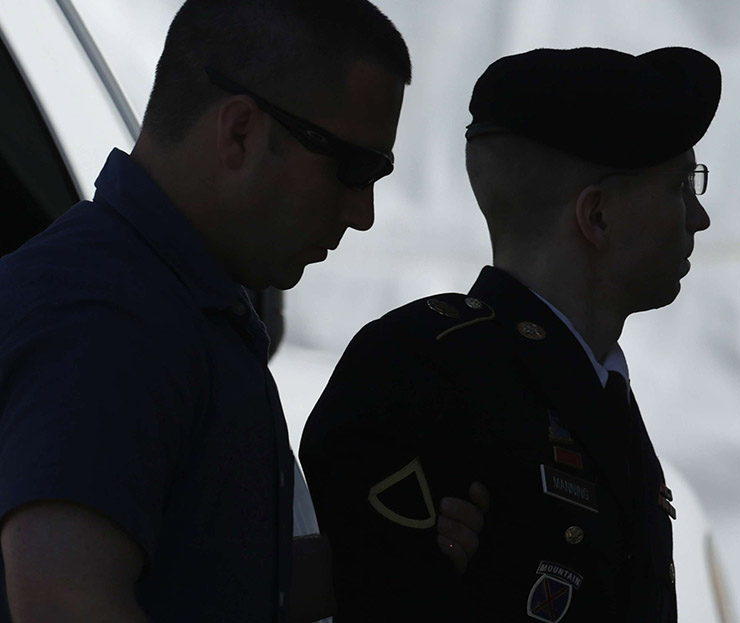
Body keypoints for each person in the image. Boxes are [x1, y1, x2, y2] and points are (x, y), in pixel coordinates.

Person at [0, 1, 489, 622]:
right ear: (240, 131)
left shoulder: (170, 302)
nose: (362, 213)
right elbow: (64, 604)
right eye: (354, 168)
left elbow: (204, 589)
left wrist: (386, 556)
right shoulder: (106, 311)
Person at [300, 46, 721, 622]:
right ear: (596, 217)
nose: (699, 218)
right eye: (680, 186)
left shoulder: (595, 386)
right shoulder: (425, 371)